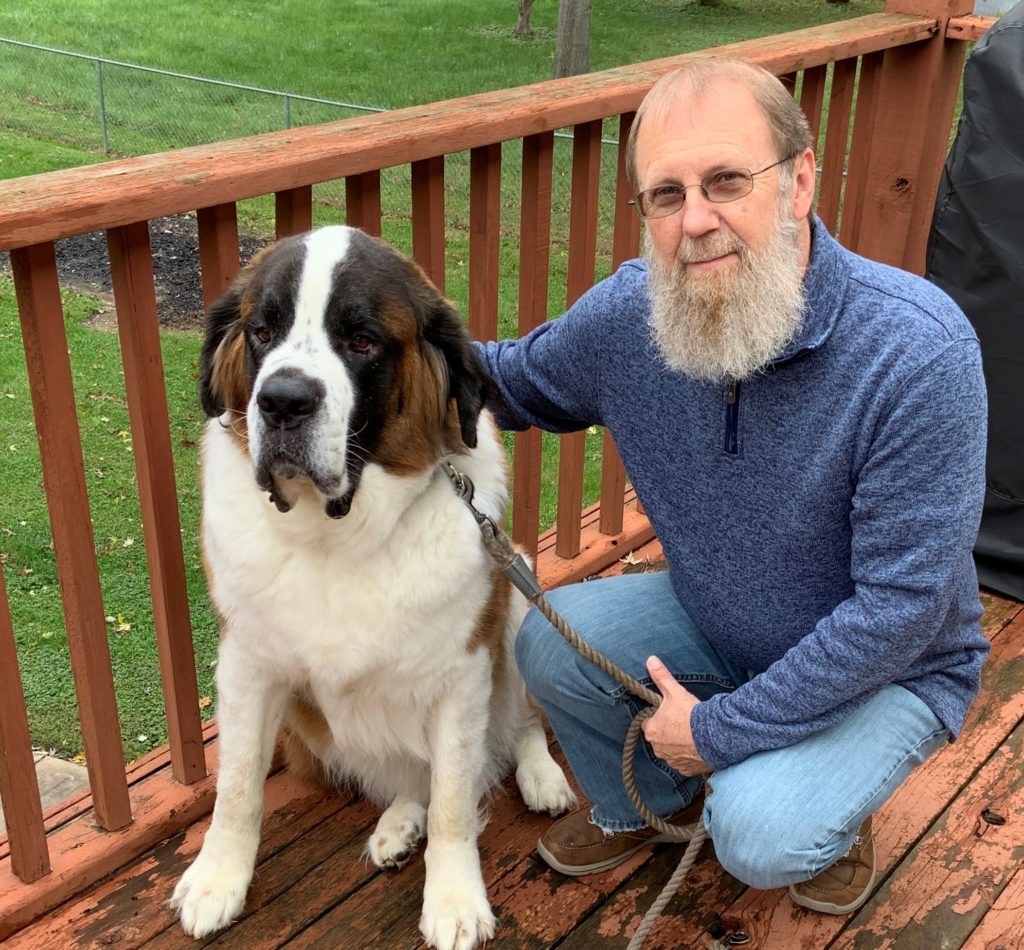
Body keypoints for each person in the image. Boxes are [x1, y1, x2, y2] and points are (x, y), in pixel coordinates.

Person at [473, 58, 989, 915]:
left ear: (798, 182)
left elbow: (900, 611)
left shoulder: (918, 354)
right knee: (549, 643)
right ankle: (649, 803)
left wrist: (716, 733)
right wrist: (359, 342)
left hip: (892, 670)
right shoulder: (632, 316)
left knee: (760, 835)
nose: (696, 221)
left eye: (726, 181)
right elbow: (507, 380)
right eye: (666, 195)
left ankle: (830, 805)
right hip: (718, 617)